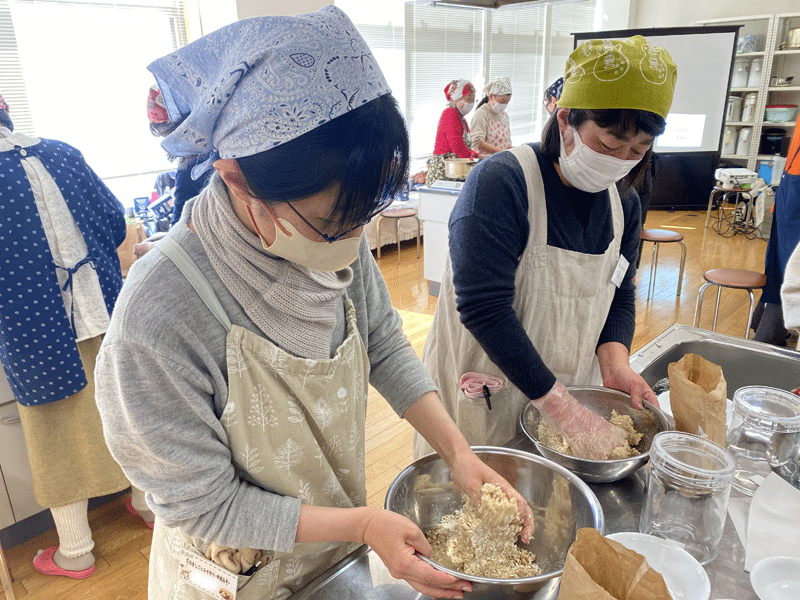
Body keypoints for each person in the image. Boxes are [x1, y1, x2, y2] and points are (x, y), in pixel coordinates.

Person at [94, 8, 532, 600]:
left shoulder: (334, 247)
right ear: (236, 178)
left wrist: (458, 452)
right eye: (332, 223)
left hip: (333, 552)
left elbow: (381, 343)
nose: (352, 243)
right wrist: (362, 522)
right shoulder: (161, 313)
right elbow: (207, 506)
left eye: (363, 216)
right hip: (231, 573)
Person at [415, 35, 677, 460]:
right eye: (610, 144)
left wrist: (615, 365)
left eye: (639, 149)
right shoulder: (501, 184)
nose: (622, 160)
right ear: (565, 120)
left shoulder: (624, 205)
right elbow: (485, 309)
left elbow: (620, 293)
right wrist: (564, 412)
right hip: (486, 396)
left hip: (569, 395)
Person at [0, 92, 152, 581]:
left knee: (56, 436)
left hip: (34, 328)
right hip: (106, 309)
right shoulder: (64, 153)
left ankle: (76, 551)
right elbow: (113, 222)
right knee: (127, 412)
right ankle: (147, 504)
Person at [752, 125, 800, 346]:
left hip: (793, 183)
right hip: (792, 182)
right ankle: (769, 329)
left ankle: (771, 330)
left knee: (788, 268)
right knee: (782, 267)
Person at [426, 79, 480, 187]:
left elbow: (463, 148)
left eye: (473, 100)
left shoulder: (462, 119)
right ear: (457, 98)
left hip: (455, 173)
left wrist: (476, 155)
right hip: (443, 174)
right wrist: (475, 158)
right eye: (468, 99)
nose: (471, 103)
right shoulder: (450, 114)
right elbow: (457, 147)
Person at [470, 76, 513, 155]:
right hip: (486, 161)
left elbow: (507, 142)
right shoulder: (481, 114)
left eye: (507, 102)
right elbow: (477, 143)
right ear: (490, 96)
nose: (504, 105)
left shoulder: (504, 115)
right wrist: (500, 152)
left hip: (502, 159)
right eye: (502, 101)